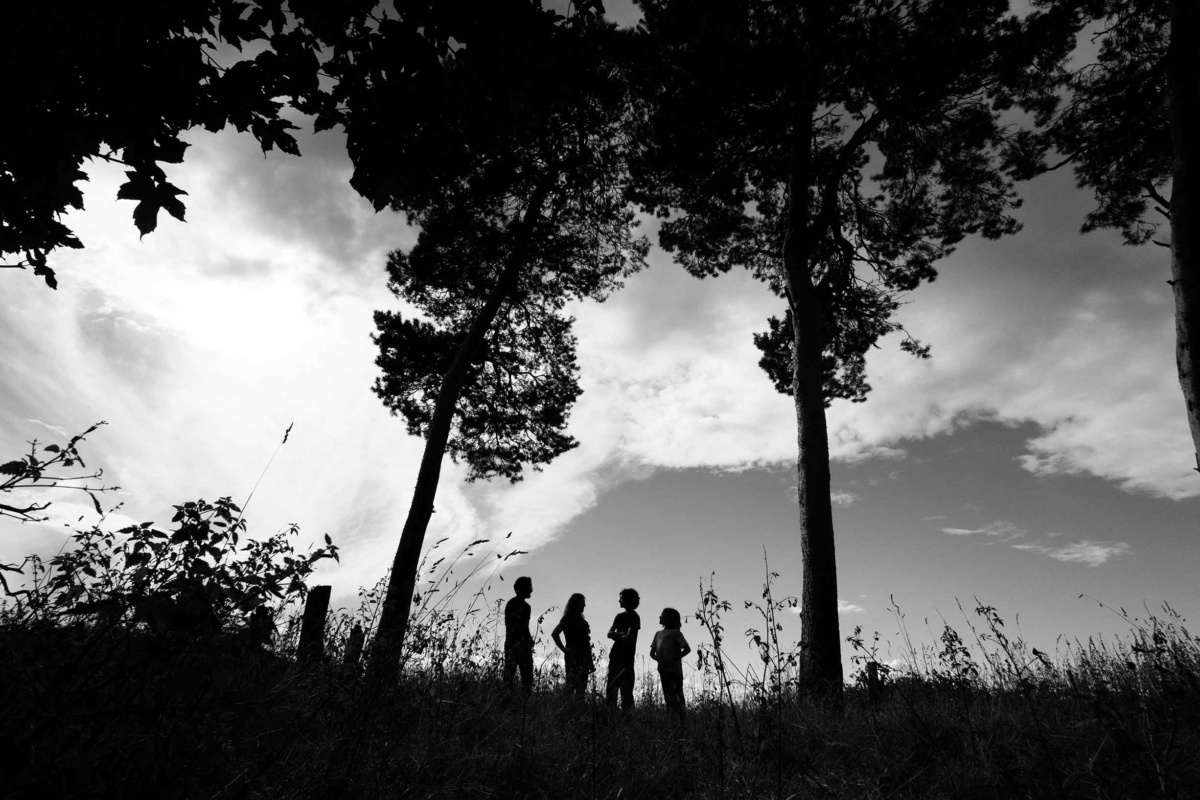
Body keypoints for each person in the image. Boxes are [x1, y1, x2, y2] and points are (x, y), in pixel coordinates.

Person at [649, 607, 691, 711]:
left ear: (669, 618)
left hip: (675, 670)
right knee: (667, 694)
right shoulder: (657, 634)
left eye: (662, 614)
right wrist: (659, 660)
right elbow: (652, 652)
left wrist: (673, 658)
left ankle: (681, 718)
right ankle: (672, 716)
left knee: (677, 694)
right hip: (663, 670)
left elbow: (687, 649)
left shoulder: (675, 633)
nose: (660, 616)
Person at [605, 587, 641, 710]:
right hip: (615, 655)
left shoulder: (634, 617)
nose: (619, 601)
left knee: (626, 692)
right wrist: (622, 634)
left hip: (627, 658)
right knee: (611, 689)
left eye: (621, 598)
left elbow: (630, 637)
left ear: (628, 600)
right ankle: (611, 715)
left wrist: (617, 635)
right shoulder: (619, 616)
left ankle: (627, 718)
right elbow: (609, 634)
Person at [551, 593, 593, 696]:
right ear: (576, 604)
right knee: (571, 685)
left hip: (584, 657)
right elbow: (555, 633)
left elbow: (586, 643)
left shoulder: (582, 621)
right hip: (573, 657)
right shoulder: (567, 619)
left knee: (581, 688)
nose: (584, 605)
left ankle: (577, 709)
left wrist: (590, 661)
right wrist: (565, 650)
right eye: (582, 603)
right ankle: (567, 708)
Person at [504, 576, 534, 695]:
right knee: (514, 677)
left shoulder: (523, 606)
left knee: (523, 677)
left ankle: (518, 701)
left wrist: (529, 640)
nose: (532, 590)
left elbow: (524, 626)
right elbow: (517, 626)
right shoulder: (517, 605)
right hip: (515, 644)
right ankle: (510, 700)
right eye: (530, 587)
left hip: (518, 644)